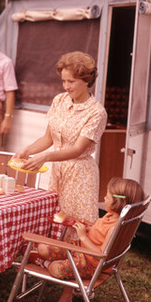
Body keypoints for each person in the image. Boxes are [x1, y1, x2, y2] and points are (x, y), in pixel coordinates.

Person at [31, 178, 146, 302]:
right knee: (43, 248)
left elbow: (101, 253)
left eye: (107, 197)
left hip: (90, 263)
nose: (104, 198)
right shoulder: (111, 216)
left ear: (118, 202)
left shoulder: (115, 228)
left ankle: (45, 263)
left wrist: (83, 236)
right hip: (80, 249)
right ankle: (44, 260)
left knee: (55, 268)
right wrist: (87, 228)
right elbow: (99, 233)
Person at [15, 51, 107, 224]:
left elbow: (77, 149)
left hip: (80, 175)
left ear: (87, 80)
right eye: (63, 81)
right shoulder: (59, 101)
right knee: (56, 220)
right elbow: (48, 138)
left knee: (76, 224)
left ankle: (74, 252)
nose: (66, 86)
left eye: (71, 81)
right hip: (58, 171)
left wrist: (45, 157)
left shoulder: (96, 112)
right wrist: (27, 150)